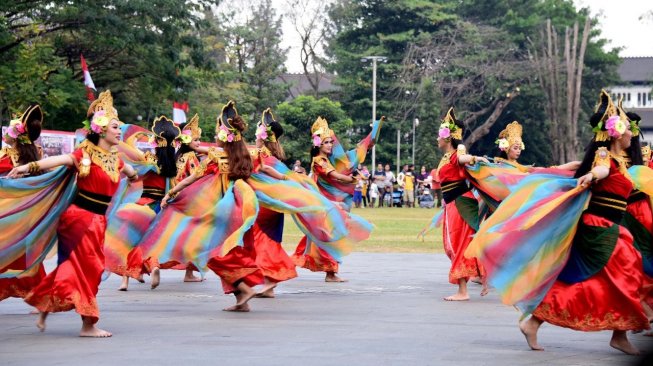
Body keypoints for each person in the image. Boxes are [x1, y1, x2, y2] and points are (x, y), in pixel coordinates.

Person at [477, 91, 649, 354]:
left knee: (602, 280)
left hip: (611, 228)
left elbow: (581, 167)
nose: (631, 135)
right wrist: (592, 174)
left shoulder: (620, 161)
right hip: (599, 227)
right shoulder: (604, 155)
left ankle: (612, 330)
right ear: (617, 133)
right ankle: (615, 331)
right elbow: (599, 169)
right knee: (622, 272)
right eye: (627, 130)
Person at [9, 90, 137, 337]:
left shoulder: (115, 159)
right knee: (89, 268)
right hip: (79, 219)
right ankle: (89, 324)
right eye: (114, 127)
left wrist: (133, 176)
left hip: (97, 221)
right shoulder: (84, 154)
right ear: (100, 129)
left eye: (119, 126)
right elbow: (57, 160)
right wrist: (27, 166)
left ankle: (44, 304)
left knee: (82, 267)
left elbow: (130, 170)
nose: (119, 131)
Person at [435, 107, 488, 301]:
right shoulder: (446, 157)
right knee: (455, 246)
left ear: (447, 138)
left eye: (439, 135)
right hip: (454, 204)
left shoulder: (457, 154)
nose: (437, 139)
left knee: (457, 245)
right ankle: (477, 280)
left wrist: (475, 158)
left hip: (460, 204)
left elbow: (462, 159)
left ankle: (463, 292)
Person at [0, 104, 46, 303]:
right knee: (27, 254)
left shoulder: (7, 155)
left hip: (8, 212)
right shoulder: (36, 155)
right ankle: (38, 293)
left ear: (15, 135)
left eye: (10, 129)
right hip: (27, 213)